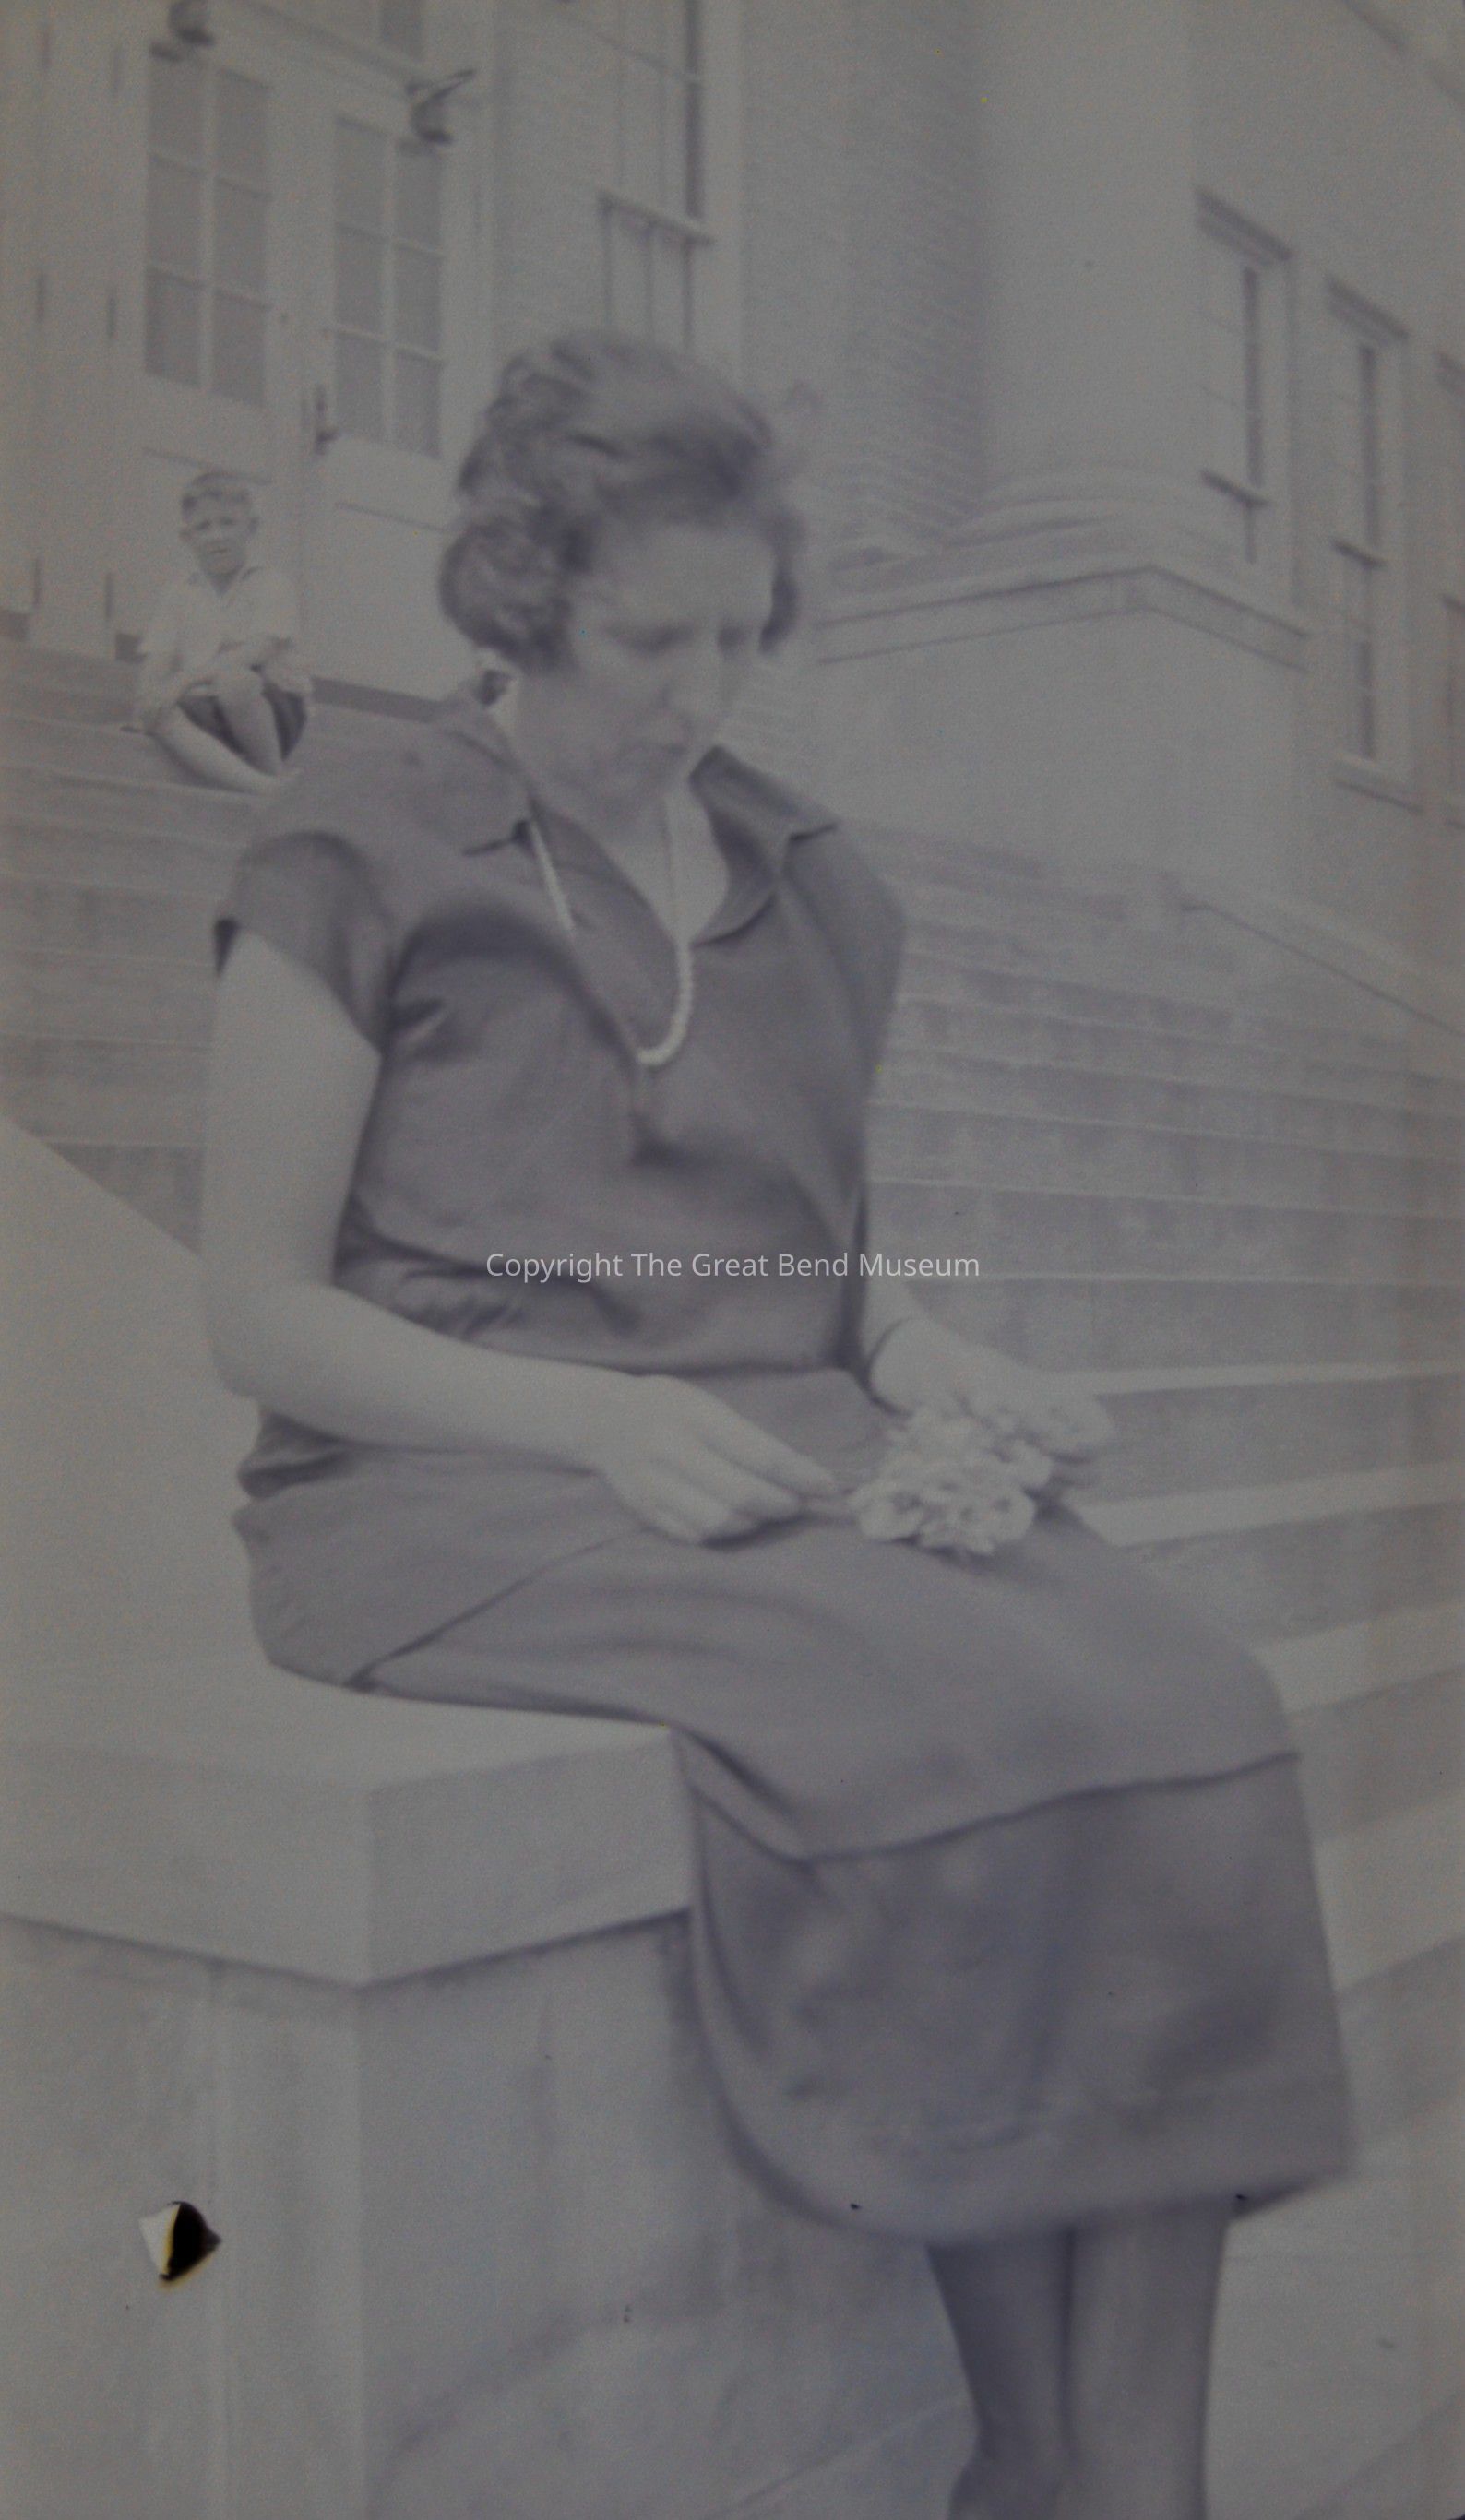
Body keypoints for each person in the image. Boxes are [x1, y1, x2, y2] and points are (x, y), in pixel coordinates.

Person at [200, 333, 1350, 2520]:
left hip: (764, 1446)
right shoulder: (355, 841)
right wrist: (588, 1427)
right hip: (446, 1487)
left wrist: (926, 1362)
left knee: (1184, 1697)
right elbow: (254, 1312)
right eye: (651, 641)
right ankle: (1044, 2460)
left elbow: (792, 1259)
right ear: (523, 595)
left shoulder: (803, 877)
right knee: (954, 1717)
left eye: (738, 637)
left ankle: (1120, 2482)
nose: (700, 693)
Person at [135, 470, 312, 798]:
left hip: (272, 711)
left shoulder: (271, 583)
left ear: (251, 528)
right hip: (208, 709)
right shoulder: (179, 593)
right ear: (187, 537)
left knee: (234, 681)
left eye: (228, 523)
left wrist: (181, 681)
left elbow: (257, 651)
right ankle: (265, 787)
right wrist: (150, 698)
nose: (217, 536)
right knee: (160, 712)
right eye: (203, 527)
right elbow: (158, 658)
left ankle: (271, 769)